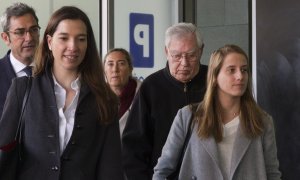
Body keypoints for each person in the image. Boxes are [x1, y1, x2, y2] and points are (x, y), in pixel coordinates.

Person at [0, 6, 123, 180]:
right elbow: (4, 153)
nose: (73, 47)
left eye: (81, 39)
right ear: (49, 42)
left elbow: (111, 167)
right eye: (64, 38)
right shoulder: (22, 88)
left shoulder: (105, 99)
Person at [153, 44, 281, 180]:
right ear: (215, 77)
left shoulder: (261, 120)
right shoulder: (188, 116)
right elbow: (162, 170)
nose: (240, 76)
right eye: (231, 70)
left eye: (244, 70)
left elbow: (272, 173)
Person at [122, 22, 208, 179]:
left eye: (191, 55)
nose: (184, 63)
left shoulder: (215, 81)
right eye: (177, 56)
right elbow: (133, 148)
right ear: (166, 52)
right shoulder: (151, 87)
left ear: (201, 51)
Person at [0, 2, 39, 117]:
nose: (29, 38)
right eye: (20, 32)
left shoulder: (54, 70)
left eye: (34, 29)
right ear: (6, 38)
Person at [103, 48, 142, 135]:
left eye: (121, 64)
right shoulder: (96, 96)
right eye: (110, 64)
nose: (115, 70)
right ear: (104, 70)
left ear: (130, 68)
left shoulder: (144, 94)